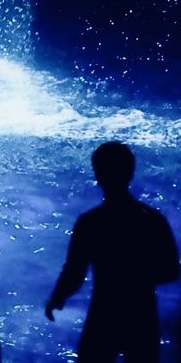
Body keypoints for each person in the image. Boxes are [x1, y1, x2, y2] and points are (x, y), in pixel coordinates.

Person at [45, 141, 179, 361]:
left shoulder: (90, 222)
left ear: (98, 176)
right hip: (141, 313)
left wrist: (57, 298)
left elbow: (75, 272)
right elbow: (171, 270)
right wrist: (138, 277)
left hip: (103, 313)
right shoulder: (152, 220)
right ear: (130, 173)